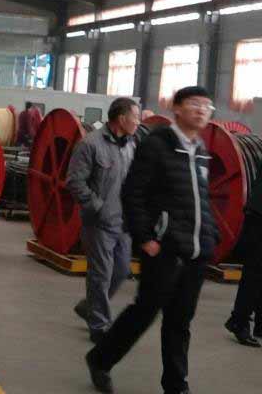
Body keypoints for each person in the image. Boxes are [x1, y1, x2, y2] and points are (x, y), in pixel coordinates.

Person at [86, 86, 220, 394]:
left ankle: (176, 385)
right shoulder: (158, 145)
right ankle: (100, 359)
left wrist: (210, 237)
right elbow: (133, 193)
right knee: (145, 311)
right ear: (177, 108)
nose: (201, 110)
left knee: (180, 321)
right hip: (164, 248)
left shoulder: (201, 150)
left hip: (195, 252)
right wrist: (145, 238)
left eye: (207, 106)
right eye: (194, 104)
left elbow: (201, 199)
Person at [68, 98, 141, 344]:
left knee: (120, 271)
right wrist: (97, 207)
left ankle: (89, 307)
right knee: (101, 274)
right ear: (121, 118)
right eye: (135, 117)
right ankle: (99, 325)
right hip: (99, 223)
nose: (138, 122)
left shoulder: (131, 145)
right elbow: (75, 181)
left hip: (123, 223)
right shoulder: (90, 144)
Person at [225, 165, 262, 347]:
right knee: (254, 272)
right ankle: (238, 321)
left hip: (257, 212)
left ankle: (257, 324)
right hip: (259, 216)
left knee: (257, 272)